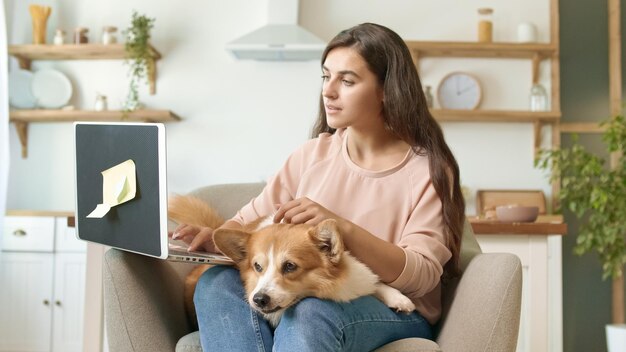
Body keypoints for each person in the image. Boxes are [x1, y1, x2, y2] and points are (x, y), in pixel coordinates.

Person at [172, 22, 465, 352]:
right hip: (308, 293)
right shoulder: (311, 154)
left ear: (386, 89)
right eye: (326, 77)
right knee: (214, 283)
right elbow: (247, 221)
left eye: (347, 80)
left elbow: (421, 275)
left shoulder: (427, 170)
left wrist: (342, 228)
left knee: (312, 311)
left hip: (393, 310)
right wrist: (216, 238)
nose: (329, 91)